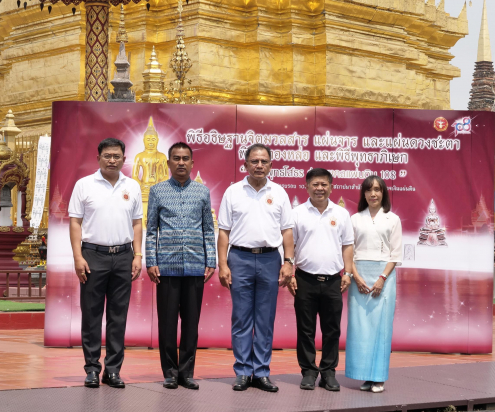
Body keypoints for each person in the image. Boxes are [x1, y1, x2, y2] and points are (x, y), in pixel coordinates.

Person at [217, 144, 295, 393]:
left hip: (270, 260)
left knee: (265, 320)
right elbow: (224, 231)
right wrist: (222, 264)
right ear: (245, 164)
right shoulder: (233, 192)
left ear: (271, 165)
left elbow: (287, 231)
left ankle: (261, 372)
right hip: (239, 259)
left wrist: (288, 262)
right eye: (254, 161)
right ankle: (242, 371)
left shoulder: (279, 193)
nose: (259, 165)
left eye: (264, 161)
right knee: (241, 318)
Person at [68, 138, 143, 389]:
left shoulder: (132, 186)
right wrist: (78, 257)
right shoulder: (84, 185)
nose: (112, 160)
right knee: (91, 315)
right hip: (92, 256)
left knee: (117, 316)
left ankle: (113, 370)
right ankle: (91, 369)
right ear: (98, 157)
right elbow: (75, 222)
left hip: (123, 256)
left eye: (117, 156)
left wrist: (137, 255)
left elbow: (137, 223)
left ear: (124, 158)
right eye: (107, 156)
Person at [146, 142, 216, 390]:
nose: (181, 163)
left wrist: (212, 260)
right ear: (168, 163)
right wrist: (151, 261)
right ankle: (170, 372)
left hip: (196, 266)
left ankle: (186, 372)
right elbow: (150, 230)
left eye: (186, 158)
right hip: (166, 266)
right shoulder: (157, 191)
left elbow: (209, 228)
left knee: (191, 323)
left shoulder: (202, 192)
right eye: (176, 158)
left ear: (192, 162)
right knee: (166, 323)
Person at [288, 168, 353, 392]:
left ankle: (328, 373)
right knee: (305, 329)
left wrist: (349, 273)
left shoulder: (342, 214)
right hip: (304, 279)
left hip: (334, 280)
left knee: (332, 329)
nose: (319, 188)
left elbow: (347, 246)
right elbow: (289, 246)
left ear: (331, 187)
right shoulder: (297, 213)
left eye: (324, 184)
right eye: (315, 184)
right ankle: (308, 371)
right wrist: (289, 274)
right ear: (306, 187)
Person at [346, 175, 403, 394]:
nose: (373, 194)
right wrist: (356, 277)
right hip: (358, 276)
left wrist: (381, 279)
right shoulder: (354, 219)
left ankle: (378, 377)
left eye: (377, 190)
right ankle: (364, 376)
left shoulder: (393, 219)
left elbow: (395, 254)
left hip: (384, 277)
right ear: (364, 194)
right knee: (360, 327)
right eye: (369, 190)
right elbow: (349, 251)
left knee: (381, 328)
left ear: (383, 193)